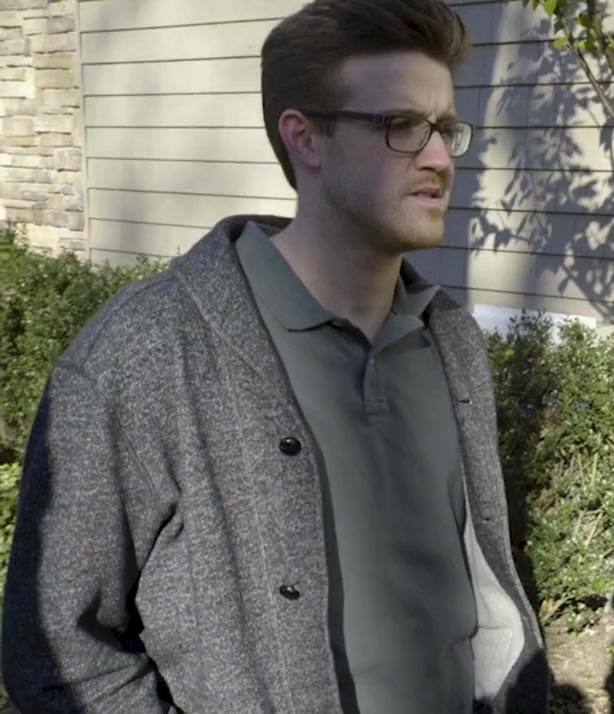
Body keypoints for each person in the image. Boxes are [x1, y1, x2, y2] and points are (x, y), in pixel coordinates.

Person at [1, 1, 548, 712]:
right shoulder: (145, 352)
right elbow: (56, 651)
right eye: (401, 126)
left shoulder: (451, 339)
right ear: (305, 137)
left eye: (445, 128)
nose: (440, 158)